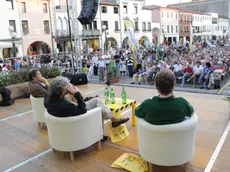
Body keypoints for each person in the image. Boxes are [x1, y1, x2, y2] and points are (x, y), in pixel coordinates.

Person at [44, 76, 129, 140]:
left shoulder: (48, 97)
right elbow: (82, 110)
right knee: (98, 104)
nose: (69, 89)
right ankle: (112, 121)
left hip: (67, 114)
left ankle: (111, 120)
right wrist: (76, 94)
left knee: (97, 102)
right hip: (78, 116)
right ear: (62, 90)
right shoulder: (64, 106)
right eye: (67, 88)